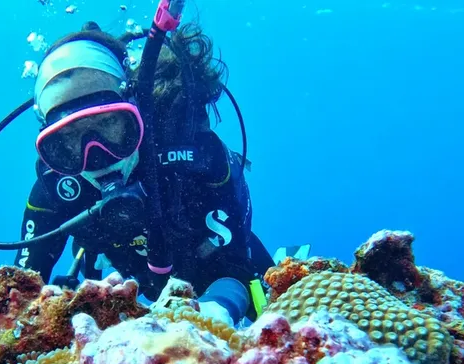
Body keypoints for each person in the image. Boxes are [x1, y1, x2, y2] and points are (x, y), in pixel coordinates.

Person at [16, 21, 276, 327]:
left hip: (214, 266)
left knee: (272, 310)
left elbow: (236, 266)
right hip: (127, 277)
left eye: (110, 123)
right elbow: (22, 292)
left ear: (136, 107)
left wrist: (217, 310)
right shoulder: (55, 187)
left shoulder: (197, 156)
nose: (96, 154)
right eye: (70, 140)